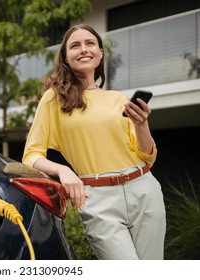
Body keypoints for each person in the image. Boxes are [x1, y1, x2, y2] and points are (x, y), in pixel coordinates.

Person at [22, 24, 166, 260]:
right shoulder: (54, 99)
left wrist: (142, 125)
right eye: (75, 45)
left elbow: (147, 156)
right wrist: (64, 171)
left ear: (99, 53)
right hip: (98, 200)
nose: (83, 49)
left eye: (90, 44)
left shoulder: (117, 99)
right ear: (66, 58)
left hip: (144, 189)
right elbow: (31, 156)